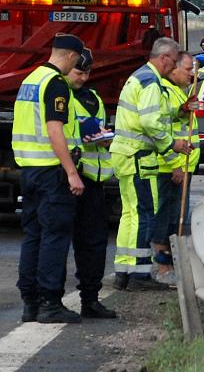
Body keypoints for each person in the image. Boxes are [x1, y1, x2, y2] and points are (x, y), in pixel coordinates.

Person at [110, 37, 191, 291]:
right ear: (164, 57)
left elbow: (154, 117)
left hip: (126, 155)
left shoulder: (140, 78)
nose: (175, 65)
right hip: (137, 156)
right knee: (142, 214)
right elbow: (151, 123)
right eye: (175, 60)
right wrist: (172, 146)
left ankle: (124, 269)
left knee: (129, 214)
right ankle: (139, 273)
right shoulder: (151, 82)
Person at [13, 33, 84, 324]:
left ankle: (30, 302)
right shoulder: (55, 84)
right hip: (51, 173)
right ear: (70, 57)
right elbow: (55, 130)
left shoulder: (30, 79)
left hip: (28, 170)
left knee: (33, 236)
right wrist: (71, 171)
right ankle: (50, 302)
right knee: (54, 236)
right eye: (76, 62)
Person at [66, 48, 117, 318]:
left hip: (94, 180)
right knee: (60, 241)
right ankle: (49, 300)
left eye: (86, 72)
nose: (83, 78)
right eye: (78, 72)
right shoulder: (59, 96)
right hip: (69, 178)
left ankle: (90, 298)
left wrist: (104, 137)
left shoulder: (93, 97)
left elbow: (98, 130)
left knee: (95, 243)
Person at [151, 51, 200, 283]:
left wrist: (184, 109)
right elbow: (162, 129)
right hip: (171, 165)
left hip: (183, 163)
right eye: (188, 69)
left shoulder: (179, 92)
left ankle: (171, 263)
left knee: (174, 217)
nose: (191, 74)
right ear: (174, 69)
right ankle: (162, 267)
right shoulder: (165, 91)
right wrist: (175, 165)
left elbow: (177, 120)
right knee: (167, 217)